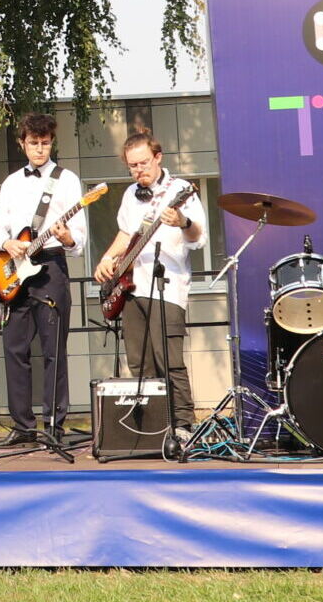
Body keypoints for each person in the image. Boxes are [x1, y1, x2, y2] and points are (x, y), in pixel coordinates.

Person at [0, 112, 89, 447]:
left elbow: (79, 240)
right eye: (33, 143)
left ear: (52, 143)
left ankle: (54, 426)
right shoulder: (12, 182)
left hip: (51, 267)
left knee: (54, 349)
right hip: (16, 269)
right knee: (14, 347)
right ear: (22, 144)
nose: (40, 149)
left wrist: (67, 237)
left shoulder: (67, 180)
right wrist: (7, 244)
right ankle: (23, 427)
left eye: (45, 143)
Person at [95, 133, 207, 436]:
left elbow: (198, 237)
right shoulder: (130, 193)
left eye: (143, 163)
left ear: (158, 157)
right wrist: (108, 258)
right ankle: (152, 427)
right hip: (132, 288)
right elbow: (126, 234)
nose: (138, 170)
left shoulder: (180, 189)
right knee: (138, 362)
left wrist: (182, 222)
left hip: (167, 287)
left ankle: (182, 424)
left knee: (169, 360)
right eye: (132, 166)